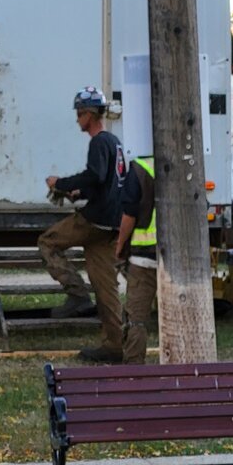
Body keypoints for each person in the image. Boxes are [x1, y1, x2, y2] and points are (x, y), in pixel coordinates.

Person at [39, 87, 126, 363]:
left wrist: (60, 183)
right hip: (111, 224)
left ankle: (77, 295)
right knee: (105, 287)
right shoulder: (114, 142)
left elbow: (95, 175)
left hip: (95, 219)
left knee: (48, 242)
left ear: (89, 114)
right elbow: (105, 182)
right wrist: (80, 192)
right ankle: (115, 346)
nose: (77, 119)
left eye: (79, 113)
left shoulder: (98, 142)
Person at [115, 154, 157, 365]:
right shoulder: (186, 163)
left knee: (136, 320)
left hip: (144, 257)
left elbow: (129, 214)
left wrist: (120, 245)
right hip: (180, 260)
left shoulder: (140, 167)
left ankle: (134, 371)